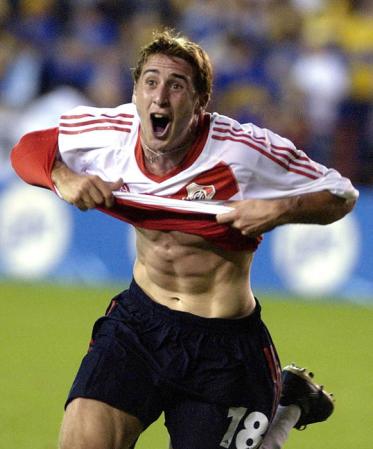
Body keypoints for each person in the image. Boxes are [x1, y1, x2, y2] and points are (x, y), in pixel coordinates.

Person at [11, 29, 357, 449]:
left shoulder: (243, 151)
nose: (160, 96)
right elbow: (29, 147)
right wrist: (61, 176)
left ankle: (287, 408)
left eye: (176, 85)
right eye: (150, 82)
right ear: (136, 92)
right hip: (138, 326)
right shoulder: (111, 132)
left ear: (199, 102)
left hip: (223, 345)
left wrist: (278, 209)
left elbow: (340, 193)